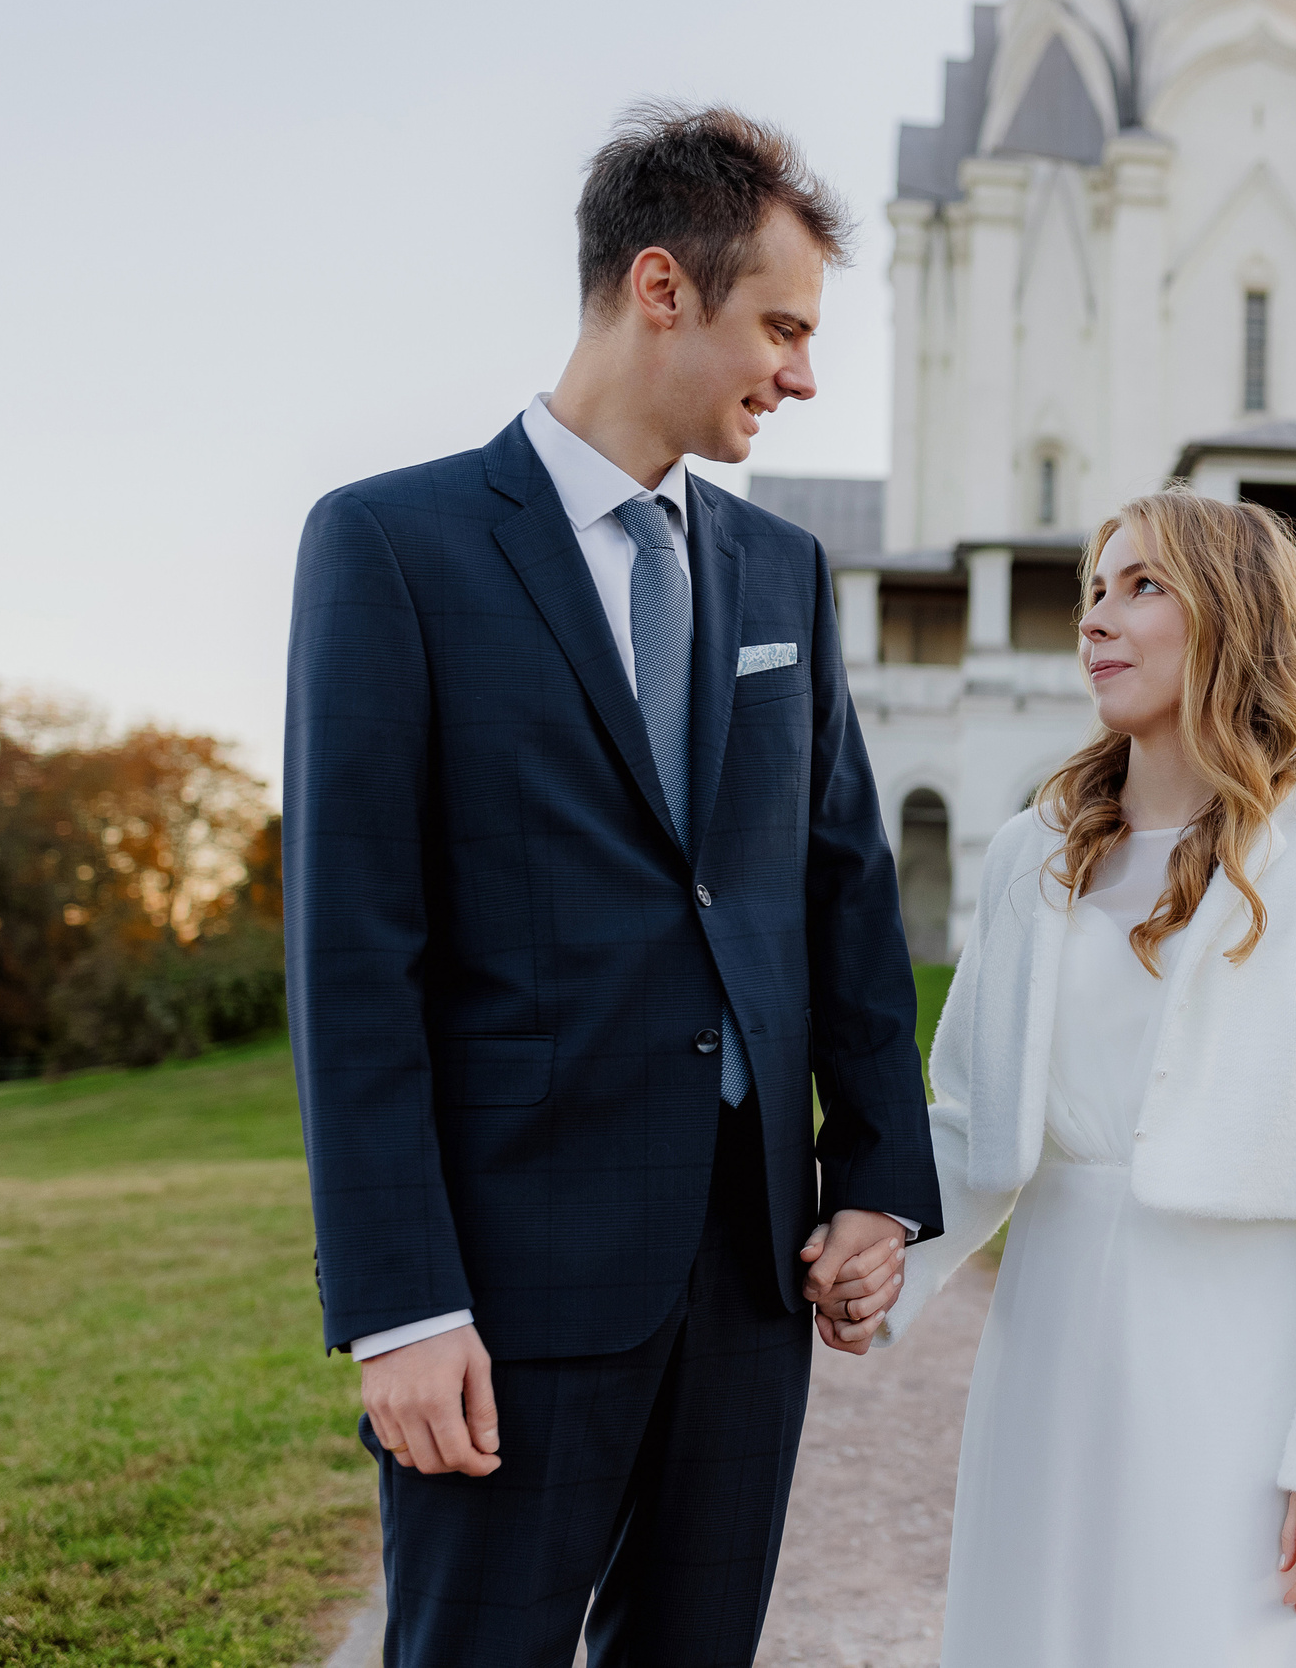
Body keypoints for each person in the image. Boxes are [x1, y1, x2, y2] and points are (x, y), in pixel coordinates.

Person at [283, 103, 936, 1668]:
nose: (801, 371)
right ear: (660, 287)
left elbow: (837, 887)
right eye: (779, 325)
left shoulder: (783, 574)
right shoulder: (391, 546)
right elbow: (353, 954)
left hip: (749, 1282)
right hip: (507, 1294)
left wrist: (882, 1179)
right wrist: (400, 1302)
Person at [878, 491, 1296, 1665]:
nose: (1096, 620)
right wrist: (873, 1269)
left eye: (1140, 588)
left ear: (1233, 619)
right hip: (1052, 1338)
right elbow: (971, 1123)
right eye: (1092, 590)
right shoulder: (1036, 849)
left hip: (1238, 1358)